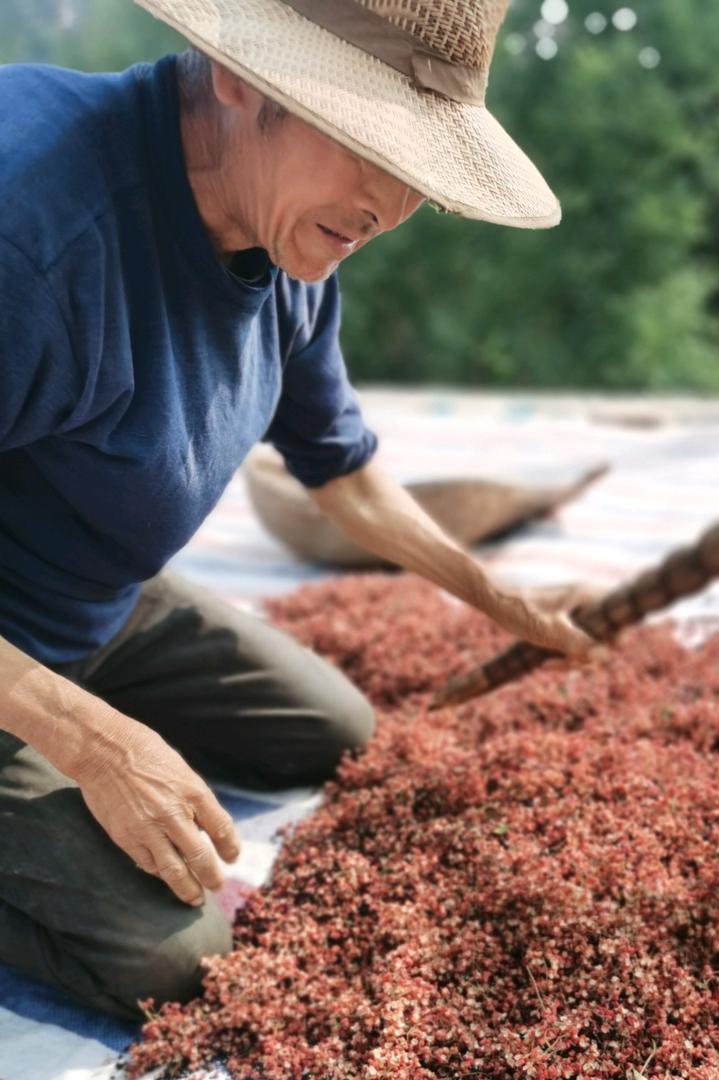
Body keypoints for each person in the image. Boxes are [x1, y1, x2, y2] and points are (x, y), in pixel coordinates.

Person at [0, 0, 595, 1019]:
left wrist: (505, 600)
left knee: (337, 730)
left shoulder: (287, 237)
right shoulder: (35, 228)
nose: (391, 205)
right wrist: (94, 744)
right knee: (179, 957)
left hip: (90, 596)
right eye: (370, 142)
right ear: (240, 78)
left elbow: (342, 470)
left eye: (421, 167)